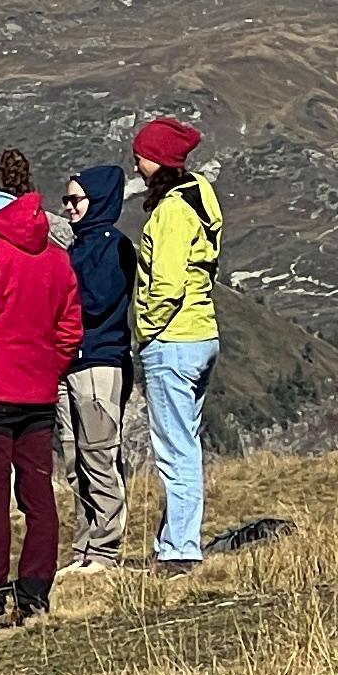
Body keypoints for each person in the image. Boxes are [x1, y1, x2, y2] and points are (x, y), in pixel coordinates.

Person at [0, 185, 84, 626]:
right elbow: (69, 330)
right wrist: (49, 369)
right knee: (38, 493)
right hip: (39, 395)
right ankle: (34, 594)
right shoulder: (56, 258)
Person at [129, 118, 223, 574]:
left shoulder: (169, 213)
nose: (136, 163)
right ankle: (175, 539)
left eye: (142, 155)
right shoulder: (201, 199)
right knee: (188, 442)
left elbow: (164, 285)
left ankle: (181, 549)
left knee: (175, 451)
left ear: (158, 161)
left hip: (172, 340)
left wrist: (146, 330)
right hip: (203, 334)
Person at [56, 161, 150, 567]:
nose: (69, 208)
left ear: (98, 201)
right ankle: (84, 546)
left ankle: (106, 547)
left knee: (99, 455)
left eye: (76, 199)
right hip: (70, 363)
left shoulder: (115, 246)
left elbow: (95, 302)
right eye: (67, 200)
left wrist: (57, 300)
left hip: (99, 361)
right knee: (75, 459)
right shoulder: (77, 247)